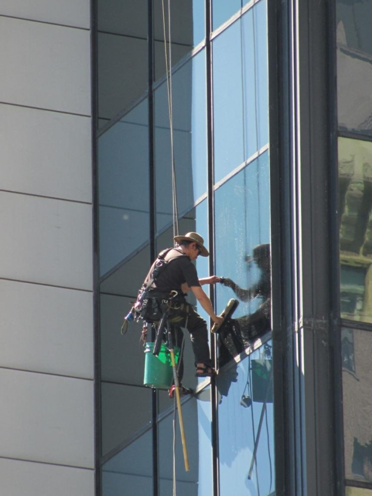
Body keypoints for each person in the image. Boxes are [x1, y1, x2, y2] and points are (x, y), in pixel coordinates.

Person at [141, 232, 223, 377]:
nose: (196, 257)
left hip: (150, 309)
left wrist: (205, 281)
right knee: (197, 324)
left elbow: (183, 287)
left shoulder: (166, 254)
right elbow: (200, 296)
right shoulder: (185, 263)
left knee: (175, 339)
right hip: (168, 307)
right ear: (193, 246)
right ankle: (203, 366)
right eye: (198, 252)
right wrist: (215, 318)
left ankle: (175, 384)